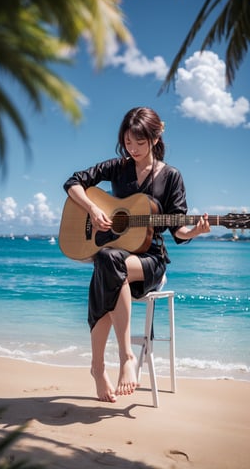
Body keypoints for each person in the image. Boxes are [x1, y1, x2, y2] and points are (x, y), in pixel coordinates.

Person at [63, 107, 210, 403]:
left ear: (156, 138)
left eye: (139, 144)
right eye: (128, 143)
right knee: (108, 260)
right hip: (117, 258)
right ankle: (112, 361)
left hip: (149, 262)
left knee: (108, 267)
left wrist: (194, 231)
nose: (132, 150)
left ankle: (110, 363)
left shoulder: (171, 177)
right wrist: (93, 208)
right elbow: (74, 182)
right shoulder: (119, 167)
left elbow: (178, 230)